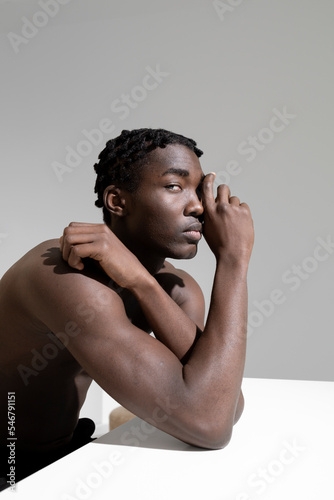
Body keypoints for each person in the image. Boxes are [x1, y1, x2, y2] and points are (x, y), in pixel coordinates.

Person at [0, 128, 254, 489]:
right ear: (118, 202)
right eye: (173, 186)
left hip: (64, 456)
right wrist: (233, 260)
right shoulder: (65, 278)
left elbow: (224, 405)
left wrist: (143, 281)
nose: (198, 205)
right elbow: (210, 423)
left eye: (198, 189)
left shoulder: (175, 288)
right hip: (10, 469)